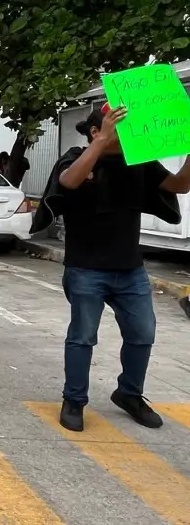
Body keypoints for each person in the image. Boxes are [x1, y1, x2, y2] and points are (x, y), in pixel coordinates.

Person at [31, 103, 190, 432]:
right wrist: (101, 143)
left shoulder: (139, 161)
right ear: (95, 131)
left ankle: (129, 394)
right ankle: (74, 400)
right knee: (83, 337)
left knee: (143, 334)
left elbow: (179, 186)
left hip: (130, 270)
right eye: (117, 124)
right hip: (86, 269)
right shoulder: (76, 157)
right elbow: (69, 181)